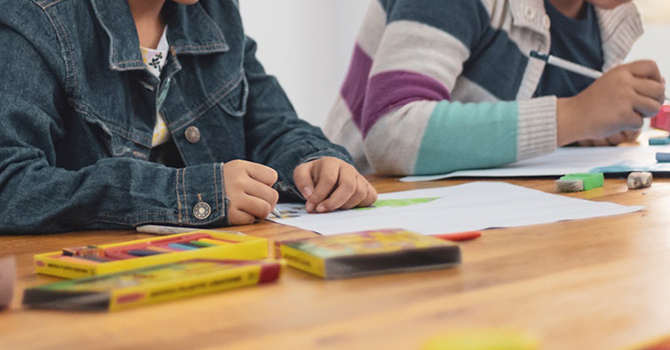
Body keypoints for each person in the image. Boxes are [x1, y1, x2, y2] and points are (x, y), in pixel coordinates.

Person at [0, 0, 377, 234]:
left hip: (208, 273)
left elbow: (271, 123)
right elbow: (10, 183)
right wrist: (192, 194)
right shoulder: (35, 17)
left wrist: (313, 163)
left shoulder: (212, 10)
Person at [324, 0, 665, 175]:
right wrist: (576, 115)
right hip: (370, 217)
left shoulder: (600, 21)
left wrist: (586, 128)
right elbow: (392, 131)